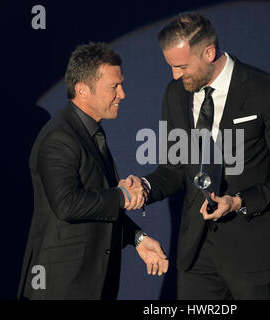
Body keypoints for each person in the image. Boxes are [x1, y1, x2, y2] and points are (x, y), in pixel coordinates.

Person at [127, 13, 270, 299]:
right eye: (171, 66)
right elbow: (174, 170)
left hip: (254, 255)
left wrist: (239, 201)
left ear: (209, 52)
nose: (175, 75)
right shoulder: (176, 93)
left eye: (182, 66)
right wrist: (146, 187)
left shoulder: (266, 91)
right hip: (196, 256)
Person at [17, 42, 168, 300]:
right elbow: (67, 204)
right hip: (61, 287)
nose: (122, 94)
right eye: (114, 87)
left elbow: (97, 206)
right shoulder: (59, 137)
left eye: (121, 85)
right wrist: (122, 196)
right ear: (83, 90)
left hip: (93, 283)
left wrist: (139, 239)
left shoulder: (91, 133)